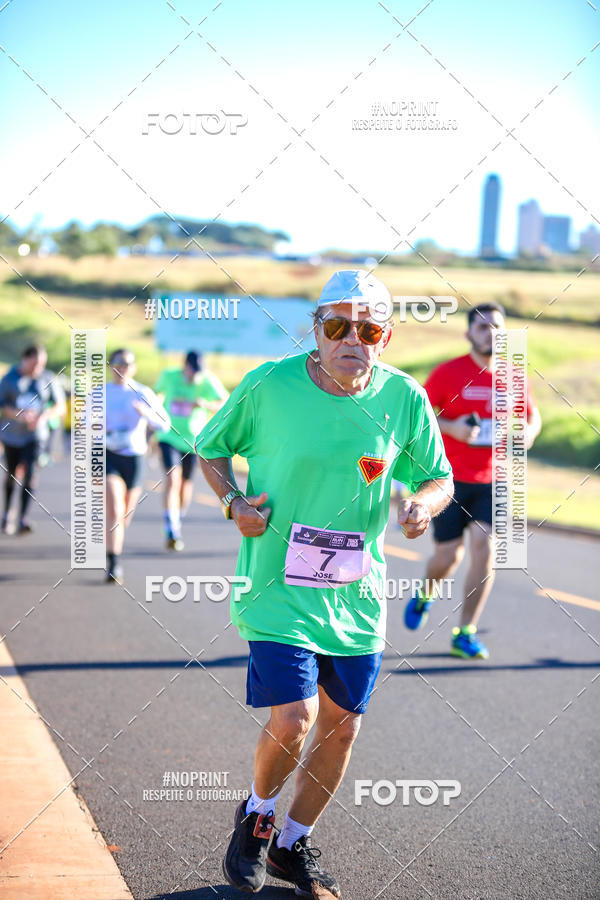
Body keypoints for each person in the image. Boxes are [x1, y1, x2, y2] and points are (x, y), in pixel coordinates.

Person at [195, 269, 453, 898]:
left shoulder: (404, 399)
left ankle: (291, 843)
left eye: (366, 329)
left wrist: (422, 504)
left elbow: (441, 478)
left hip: (355, 596)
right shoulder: (270, 385)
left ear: (385, 337)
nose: (351, 339)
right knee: (295, 717)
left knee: (342, 728)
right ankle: (256, 817)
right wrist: (235, 504)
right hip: (277, 588)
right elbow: (210, 448)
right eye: (336, 326)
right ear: (316, 329)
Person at [404, 301, 542, 659]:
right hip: (448, 480)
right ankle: (426, 592)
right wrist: (452, 427)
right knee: (447, 558)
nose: (490, 333)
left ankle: (464, 632)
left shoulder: (513, 377)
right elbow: (420, 418)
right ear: (469, 334)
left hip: (492, 480)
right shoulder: (448, 373)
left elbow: (533, 416)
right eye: (483, 327)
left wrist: (528, 433)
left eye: (497, 326)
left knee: (485, 547)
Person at [105, 348, 170, 583]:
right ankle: (113, 563)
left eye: (127, 364)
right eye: (118, 363)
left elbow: (165, 424)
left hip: (134, 457)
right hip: (108, 455)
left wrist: (146, 414)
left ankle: (114, 545)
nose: (122, 368)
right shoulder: (101, 393)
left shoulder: (143, 392)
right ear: (111, 366)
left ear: (134, 368)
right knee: (114, 508)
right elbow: (84, 423)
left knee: (124, 516)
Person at [154, 351, 228, 550]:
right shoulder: (169, 376)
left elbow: (225, 403)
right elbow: (156, 395)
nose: (194, 377)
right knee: (173, 478)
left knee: (186, 484)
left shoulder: (207, 380)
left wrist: (205, 404)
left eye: (198, 373)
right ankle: (171, 525)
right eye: (192, 372)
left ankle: (178, 516)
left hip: (193, 440)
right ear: (184, 366)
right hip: (169, 435)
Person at [0, 345, 65, 534]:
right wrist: (18, 415)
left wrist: (43, 417)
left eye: (41, 365)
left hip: (35, 436)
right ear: (24, 359)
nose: (38, 368)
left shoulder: (47, 378)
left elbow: (60, 406)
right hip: (12, 435)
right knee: (12, 474)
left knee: (30, 473)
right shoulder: (10, 378)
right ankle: (6, 513)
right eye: (35, 364)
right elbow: (2, 405)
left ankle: (22, 518)